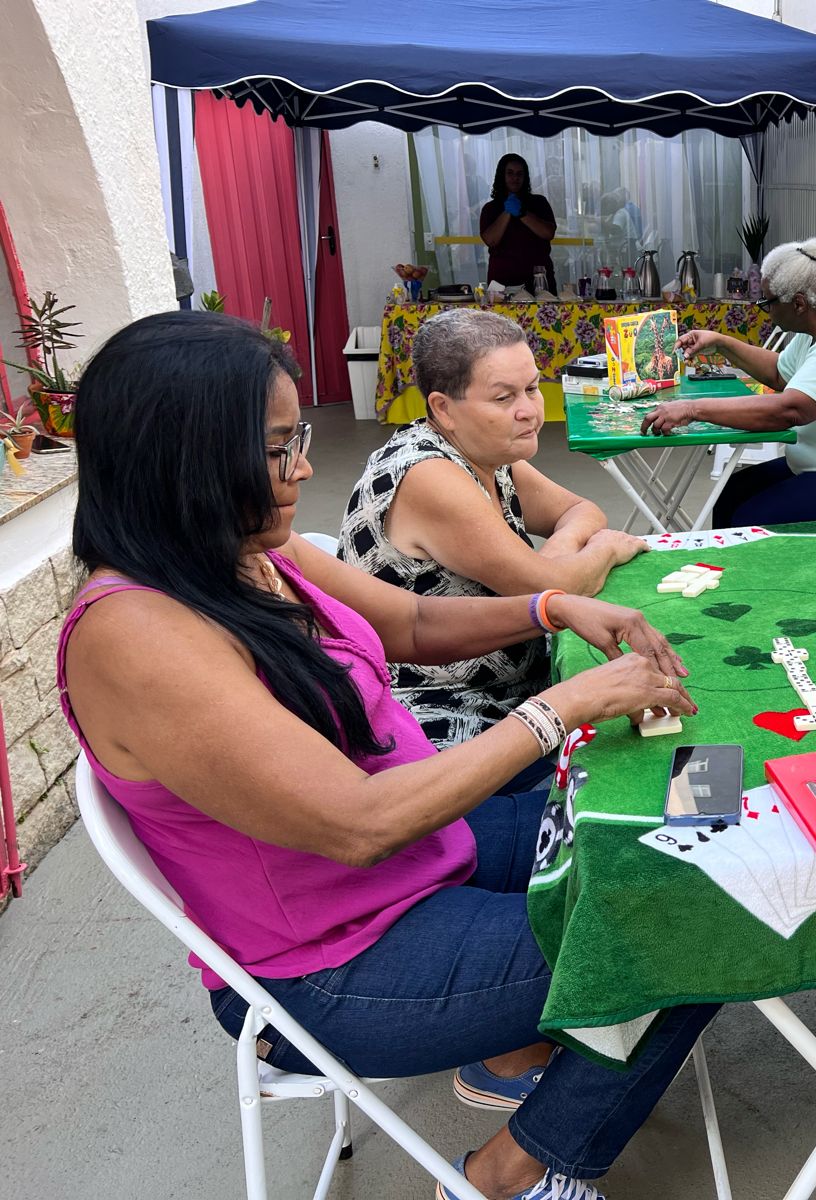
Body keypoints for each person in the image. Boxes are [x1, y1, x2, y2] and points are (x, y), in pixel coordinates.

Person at [58, 311, 705, 1200]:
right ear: (186, 459)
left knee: (682, 815)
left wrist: (551, 609)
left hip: (425, 850)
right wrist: (565, 703)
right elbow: (360, 825)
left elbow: (405, 623)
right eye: (280, 448)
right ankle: (509, 1173)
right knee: (697, 923)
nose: (305, 470)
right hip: (339, 958)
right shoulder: (137, 631)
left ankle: (531, 1050)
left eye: (300, 441)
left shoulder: (249, 550)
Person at [340, 308, 646, 749]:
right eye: (504, 399)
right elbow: (558, 588)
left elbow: (581, 511)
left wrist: (551, 560)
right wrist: (607, 549)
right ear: (443, 409)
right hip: (444, 718)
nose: (528, 411)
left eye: (533, 388)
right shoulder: (429, 474)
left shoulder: (485, 452)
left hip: (514, 693)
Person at [640, 237, 816, 527]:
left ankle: (741, 571)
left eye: (767, 302)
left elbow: (790, 411)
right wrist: (722, 343)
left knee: (750, 521)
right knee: (730, 495)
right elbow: (780, 374)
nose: (764, 309)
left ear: (798, 303)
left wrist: (692, 410)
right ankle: (726, 571)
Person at [481, 152, 558, 291]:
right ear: (502, 176)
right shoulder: (490, 208)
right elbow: (491, 240)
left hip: (538, 282)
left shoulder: (539, 202)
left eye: (519, 174)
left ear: (525, 177)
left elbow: (548, 233)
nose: (515, 178)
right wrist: (507, 212)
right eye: (510, 173)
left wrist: (522, 213)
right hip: (501, 282)